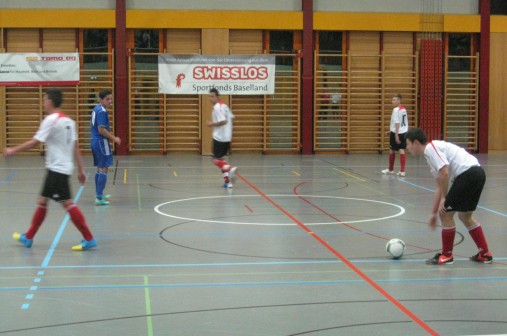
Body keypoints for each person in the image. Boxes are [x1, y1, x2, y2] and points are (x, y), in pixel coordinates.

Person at [3, 88, 97, 251]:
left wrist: (13, 150)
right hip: (62, 168)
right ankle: (29, 236)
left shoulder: (51, 120)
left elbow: (35, 142)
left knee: (67, 203)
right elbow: (76, 147)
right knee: (42, 200)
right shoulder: (69, 121)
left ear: (51, 101)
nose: (43, 102)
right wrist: (81, 170)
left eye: (44, 99)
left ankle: (89, 238)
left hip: (56, 169)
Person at [405, 127, 493, 265]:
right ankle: (485, 253)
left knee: (446, 214)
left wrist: (445, 199)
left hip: (468, 174)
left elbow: (445, 173)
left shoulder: (430, 149)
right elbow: (439, 186)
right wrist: (433, 214)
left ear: (416, 143)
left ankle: (446, 256)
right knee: (465, 216)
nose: (407, 148)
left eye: (408, 144)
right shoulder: (431, 155)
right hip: (478, 173)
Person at [90, 89, 120, 205]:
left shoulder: (96, 109)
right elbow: (101, 129)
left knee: (99, 168)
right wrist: (114, 138)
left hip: (94, 141)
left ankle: (99, 193)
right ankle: (99, 197)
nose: (110, 101)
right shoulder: (102, 111)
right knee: (104, 168)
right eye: (107, 99)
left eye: (111, 98)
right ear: (100, 100)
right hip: (101, 142)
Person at [207, 88, 237, 188]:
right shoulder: (224, 106)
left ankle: (230, 168)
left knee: (215, 160)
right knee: (222, 160)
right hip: (227, 138)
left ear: (218, 97)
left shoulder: (217, 107)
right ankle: (228, 182)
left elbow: (223, 121)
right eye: (209, 96)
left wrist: (212, 124)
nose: (210, 98)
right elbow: (233, 117)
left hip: (219, 138)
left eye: (212, 96)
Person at [382, 93, 408, 177]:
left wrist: (396, 134)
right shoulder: (403, 109)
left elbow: (397, 122)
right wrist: (391, 131)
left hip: (397, 132)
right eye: (392, 99)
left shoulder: (396, 110)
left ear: (399, 101)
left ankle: (390, 169)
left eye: (394, 100)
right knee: (402, 149)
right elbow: (401, 122)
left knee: (392, 150)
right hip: (404, 131)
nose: (392, 101)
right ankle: (402, 171)